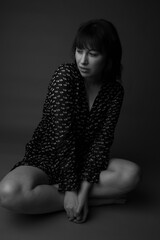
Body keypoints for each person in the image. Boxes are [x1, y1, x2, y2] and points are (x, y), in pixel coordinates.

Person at [0, 19, 140, 223]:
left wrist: (81, 192)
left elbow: (101, 143)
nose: (83, 60)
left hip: (84, 162)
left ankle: (52, 197)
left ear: (109, 57)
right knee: (8, 192)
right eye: (79, 51)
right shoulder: (65, 76)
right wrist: (69, 190)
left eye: (93, 54)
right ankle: (96, 200)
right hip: (47, 157)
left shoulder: (114, 92)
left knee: (131, 175)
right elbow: (62, 137)